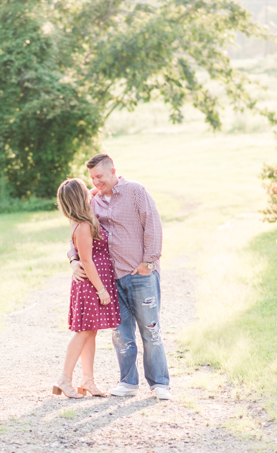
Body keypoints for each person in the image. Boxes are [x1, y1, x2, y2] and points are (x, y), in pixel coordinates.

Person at [68, 154, 171, 400]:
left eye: (100, 177)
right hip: (110, 280)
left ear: (113, 171)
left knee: (150, 330)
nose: (96, 182)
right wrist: (73, 259)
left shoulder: (136, 191)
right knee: (121, 334)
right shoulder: (92, 200)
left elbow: (153, 225)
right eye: (92, 178)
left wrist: (149, 261)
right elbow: (76, 230)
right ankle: (128, 382)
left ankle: (159, 384)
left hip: (140, 275)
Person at [53, 178, 122, 398]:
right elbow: (88, 261)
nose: (89, 192)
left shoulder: (81, 216)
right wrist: (102, 290)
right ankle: (64, 378)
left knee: (90, 332)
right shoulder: (82, 225)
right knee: (83, 332)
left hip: (93, 283)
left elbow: (94, 190)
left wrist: (110, 180)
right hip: (91, 285)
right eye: (85, 190)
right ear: (79, 198)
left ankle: (88, 380)